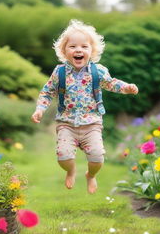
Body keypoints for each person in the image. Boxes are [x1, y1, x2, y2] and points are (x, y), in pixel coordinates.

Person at [31, 19, 138, 194]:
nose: (78, 50)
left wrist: (126, 87)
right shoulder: (59, 72)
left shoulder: (98, 71)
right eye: (72, 47)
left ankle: (91, 175)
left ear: (92, 51)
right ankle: (71, 171)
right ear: (64, 51)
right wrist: (40, 109)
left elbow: (112, 84)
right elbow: (47, 92)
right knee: (63, 156)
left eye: (84, 46)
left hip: (92, 123)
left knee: (97, 158)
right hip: (66, 123)